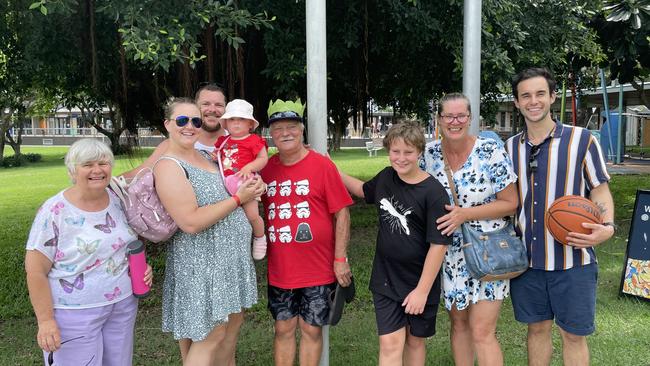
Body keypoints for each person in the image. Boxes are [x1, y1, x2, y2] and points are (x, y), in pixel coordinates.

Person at [505, 68, 615, 366]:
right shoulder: (509, 148)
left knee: (573, 335)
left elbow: (600, 191)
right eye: (525, 96)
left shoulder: (582, 141)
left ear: (552, 97)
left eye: (540, 94)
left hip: (573, 259)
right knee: (537, 329)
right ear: (516, 102)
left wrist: (607, 226)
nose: (533, 101)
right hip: (526, 261)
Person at [153, 97, 265, 365]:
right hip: (200, 265)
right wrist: (239, 199)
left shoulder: (208, 156)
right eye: (182, 120)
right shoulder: (169, 166)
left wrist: (252, 184)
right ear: (168, 124)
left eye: (195, 121)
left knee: (229, 333)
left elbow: (236, 180)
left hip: (229, 261)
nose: (189, 126)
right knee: (211, 336)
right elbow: (190, 222)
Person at [25, 138, 153, 366]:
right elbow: (35, 271)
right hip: (74, 312)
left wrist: (143, 269)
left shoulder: (118, 198)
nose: (97, 170)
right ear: (73, 171)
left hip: (122, 306)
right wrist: (45, 321)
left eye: (103, 163)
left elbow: (127, 243)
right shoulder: (54, 211)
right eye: (87, 164)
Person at [340, 122, 451, 366]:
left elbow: (439, 245)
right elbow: (361, 189)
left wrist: (421, 291)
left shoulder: (433, 192)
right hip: (386, 278)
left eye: (408, 152)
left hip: (419, 281)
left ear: (420, 152)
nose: (401, 158)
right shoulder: (386, 177)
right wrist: (331, 168)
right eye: (395, 152)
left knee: (414, 342)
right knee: (390, 343)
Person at [422, 93, 519, 366]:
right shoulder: (428, 155)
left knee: (482, 330)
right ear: (439, 120)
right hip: (449, 255)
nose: (455, 121)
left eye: (461, 115)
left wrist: (465, 214)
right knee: (459, 325)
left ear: (470, 118)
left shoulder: (490, 151)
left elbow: (511, 203)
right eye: (449, 116)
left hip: (488, 249)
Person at [260, 99, 353, 366]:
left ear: (302, 130)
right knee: (283, 329)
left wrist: (340, 258)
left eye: (292, 126)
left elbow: (342, 213)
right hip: (281, 268)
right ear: (271, 134)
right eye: (278, 128)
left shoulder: (322, 165)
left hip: (318, 267)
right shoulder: (265, 169)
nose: (285, 133)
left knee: (312, 329)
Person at [121, 83, 228, 179]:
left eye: (219, 105)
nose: (212, 109)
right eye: (206, 104)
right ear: (196, 108)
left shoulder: (239, 141)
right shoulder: (173, 145)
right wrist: (108, 185)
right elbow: (140, 173)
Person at [214, 99, 268, 260]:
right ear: (225, 123)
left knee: (252, 215)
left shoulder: (253, 140)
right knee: (230, 216)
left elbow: (263, 159)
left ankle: (259, 237)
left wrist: (249, 167)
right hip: (227, 183)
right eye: (232, 119)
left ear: (250, 124)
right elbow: (221, 158)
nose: (236, 123)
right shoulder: (223, 141)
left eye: (241, 119)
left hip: (244, 182)